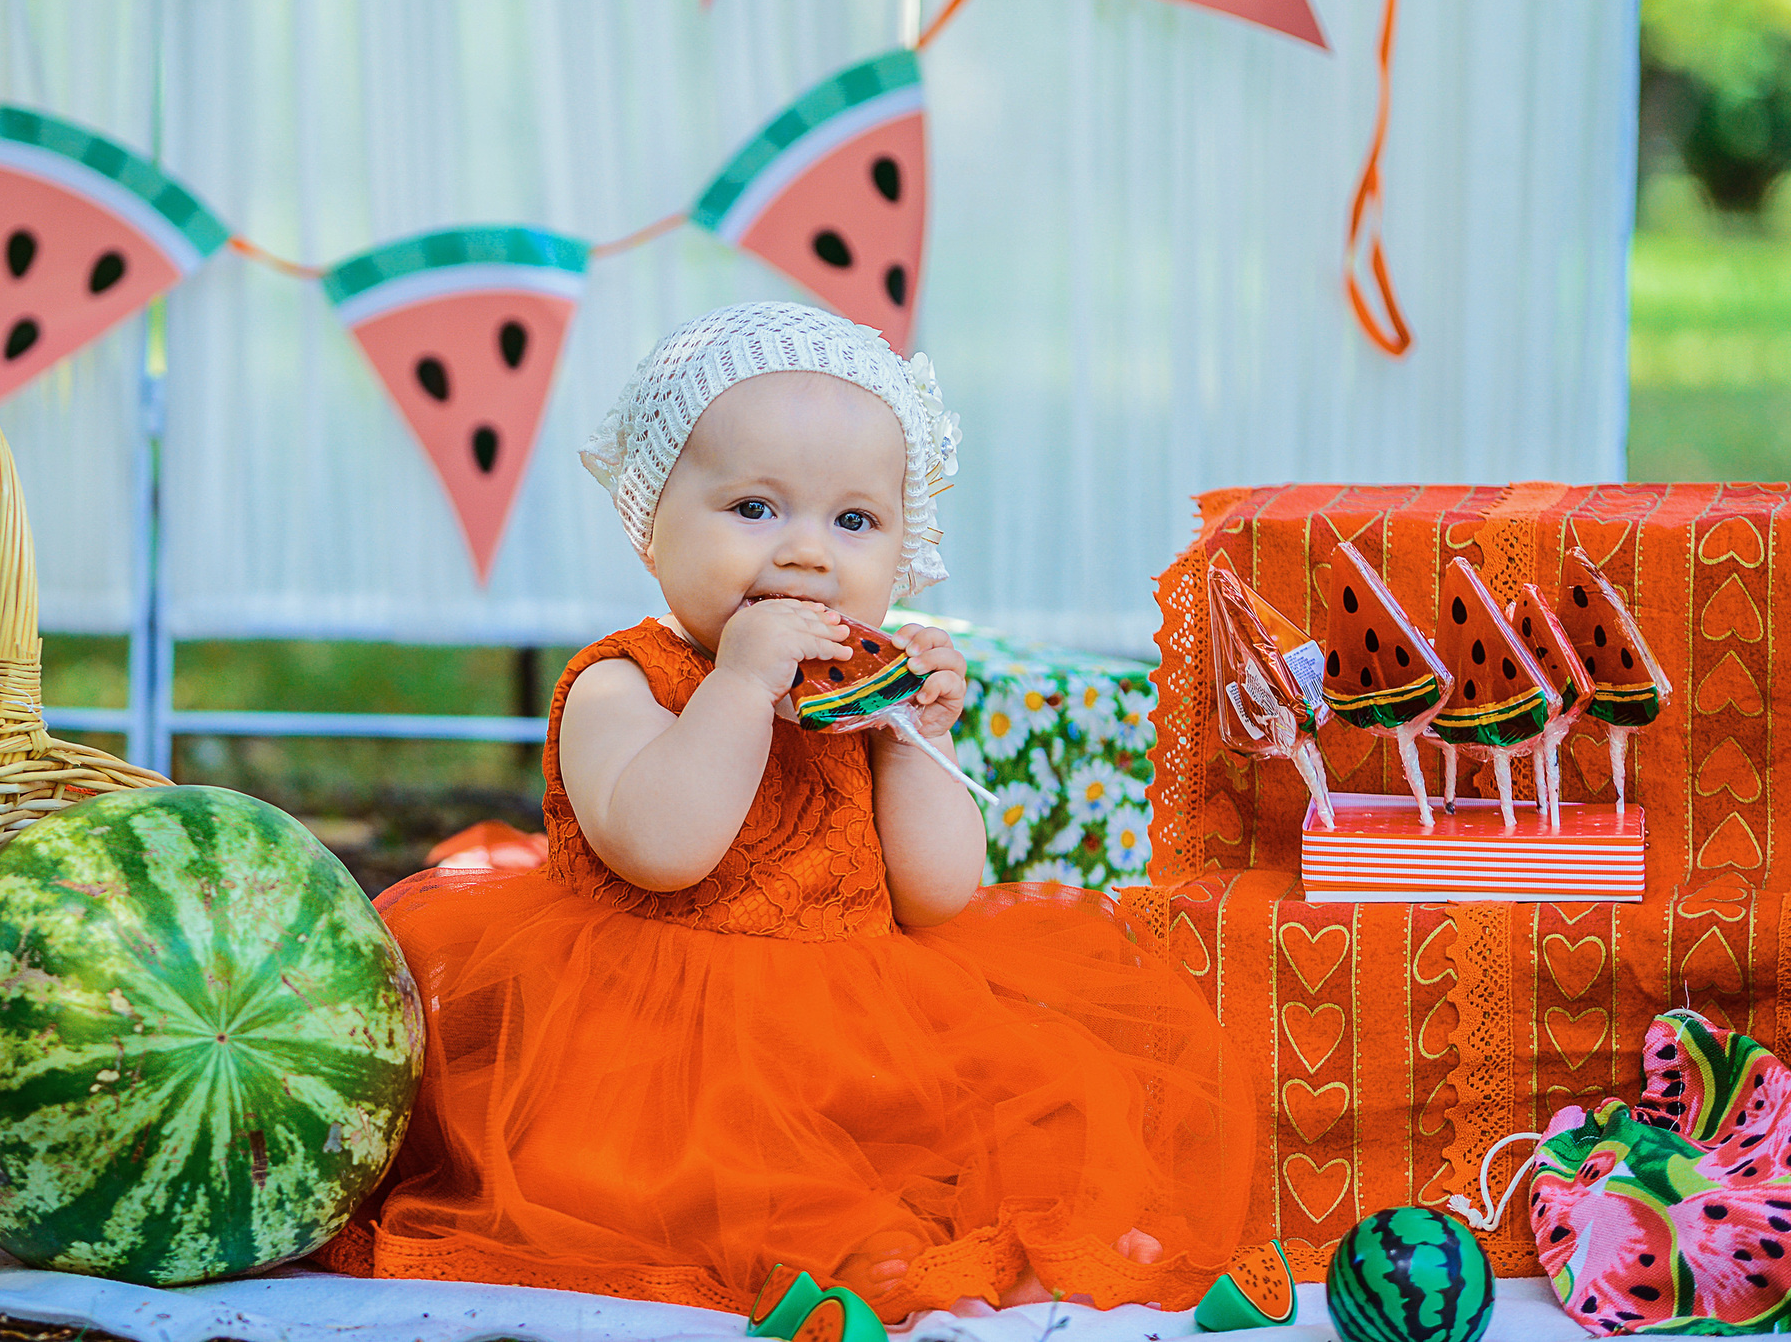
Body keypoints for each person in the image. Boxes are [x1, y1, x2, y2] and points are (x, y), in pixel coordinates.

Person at [322, 302, 1254, 1318]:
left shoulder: (853, 699)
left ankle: (962, 1245)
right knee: (684, 1179)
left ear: (903, 550)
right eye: (755, 508)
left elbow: (941, 894)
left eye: (852, 521)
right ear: (651, 521)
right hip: (656, 1042)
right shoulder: (623, 682)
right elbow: (661, 849)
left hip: (856, 1030)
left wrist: (917, 742)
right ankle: (815, 1265)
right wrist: (734, 687)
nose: (807, 552)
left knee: (982, 1131)